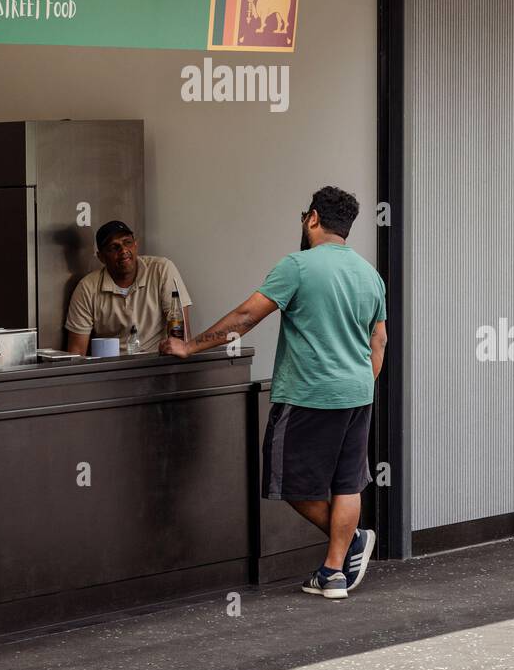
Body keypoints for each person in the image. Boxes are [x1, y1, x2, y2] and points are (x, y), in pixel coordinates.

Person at [161, 186, 386, 599]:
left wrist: (189, 346)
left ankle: (350, 545)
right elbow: (380, 340)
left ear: (313, 218)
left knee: (288, 483)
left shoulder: (297, 266)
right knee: (346, 483)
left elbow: (247, 316)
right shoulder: (369, 273)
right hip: (357, 393)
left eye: (305, 216)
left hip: (308, 394)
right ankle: (334, 572)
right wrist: (361, 383)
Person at [66, 220, 192, 355]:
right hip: (109, 370)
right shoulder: (87, 288)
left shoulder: (161, 269)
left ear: (136, 245)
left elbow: (182, 337)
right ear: (101, 257)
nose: (123, 250)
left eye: (127, 242)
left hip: (156, 365)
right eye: (113, 247)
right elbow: (77, 353)